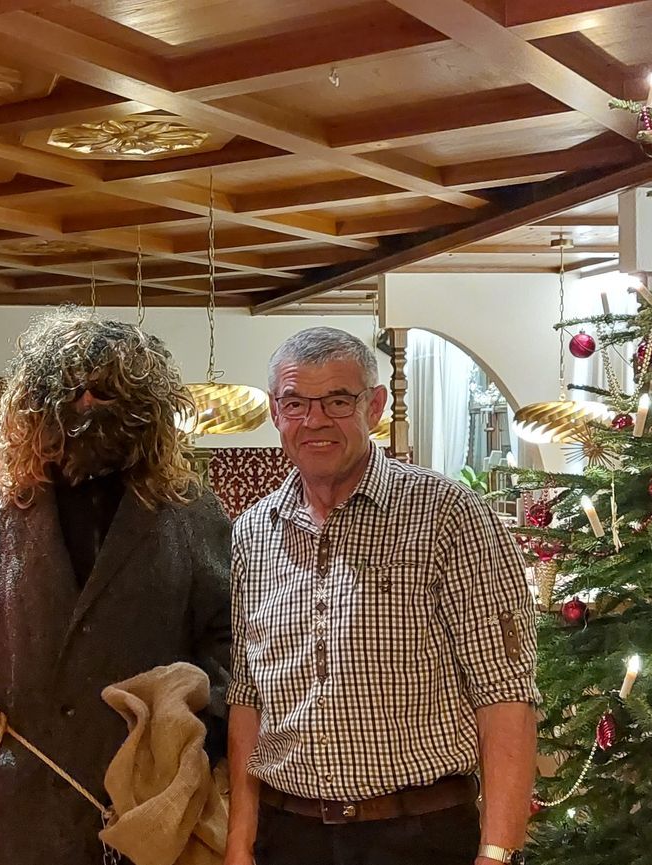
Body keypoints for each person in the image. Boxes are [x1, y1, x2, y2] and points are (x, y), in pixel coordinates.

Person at [224, 327, 538, 865]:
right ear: (275, 412)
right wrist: (239, 842)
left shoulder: (448, 515)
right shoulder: (253, 532)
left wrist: (497, 850)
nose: (314, 420)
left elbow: (504, 691)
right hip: (288, 837)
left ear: (373, 407)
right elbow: (248, 696)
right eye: (296, 403)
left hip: (418, 835)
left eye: (337, 401)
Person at [0, 309, 234, 865]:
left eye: (106, 391)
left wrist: (202, 739)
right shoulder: (1, 521)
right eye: (70, 391)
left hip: (155, 800)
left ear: (143, 406)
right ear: (36, 405)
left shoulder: (190, 515)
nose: (87, 404)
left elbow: (227, 639)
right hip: (30, 805)